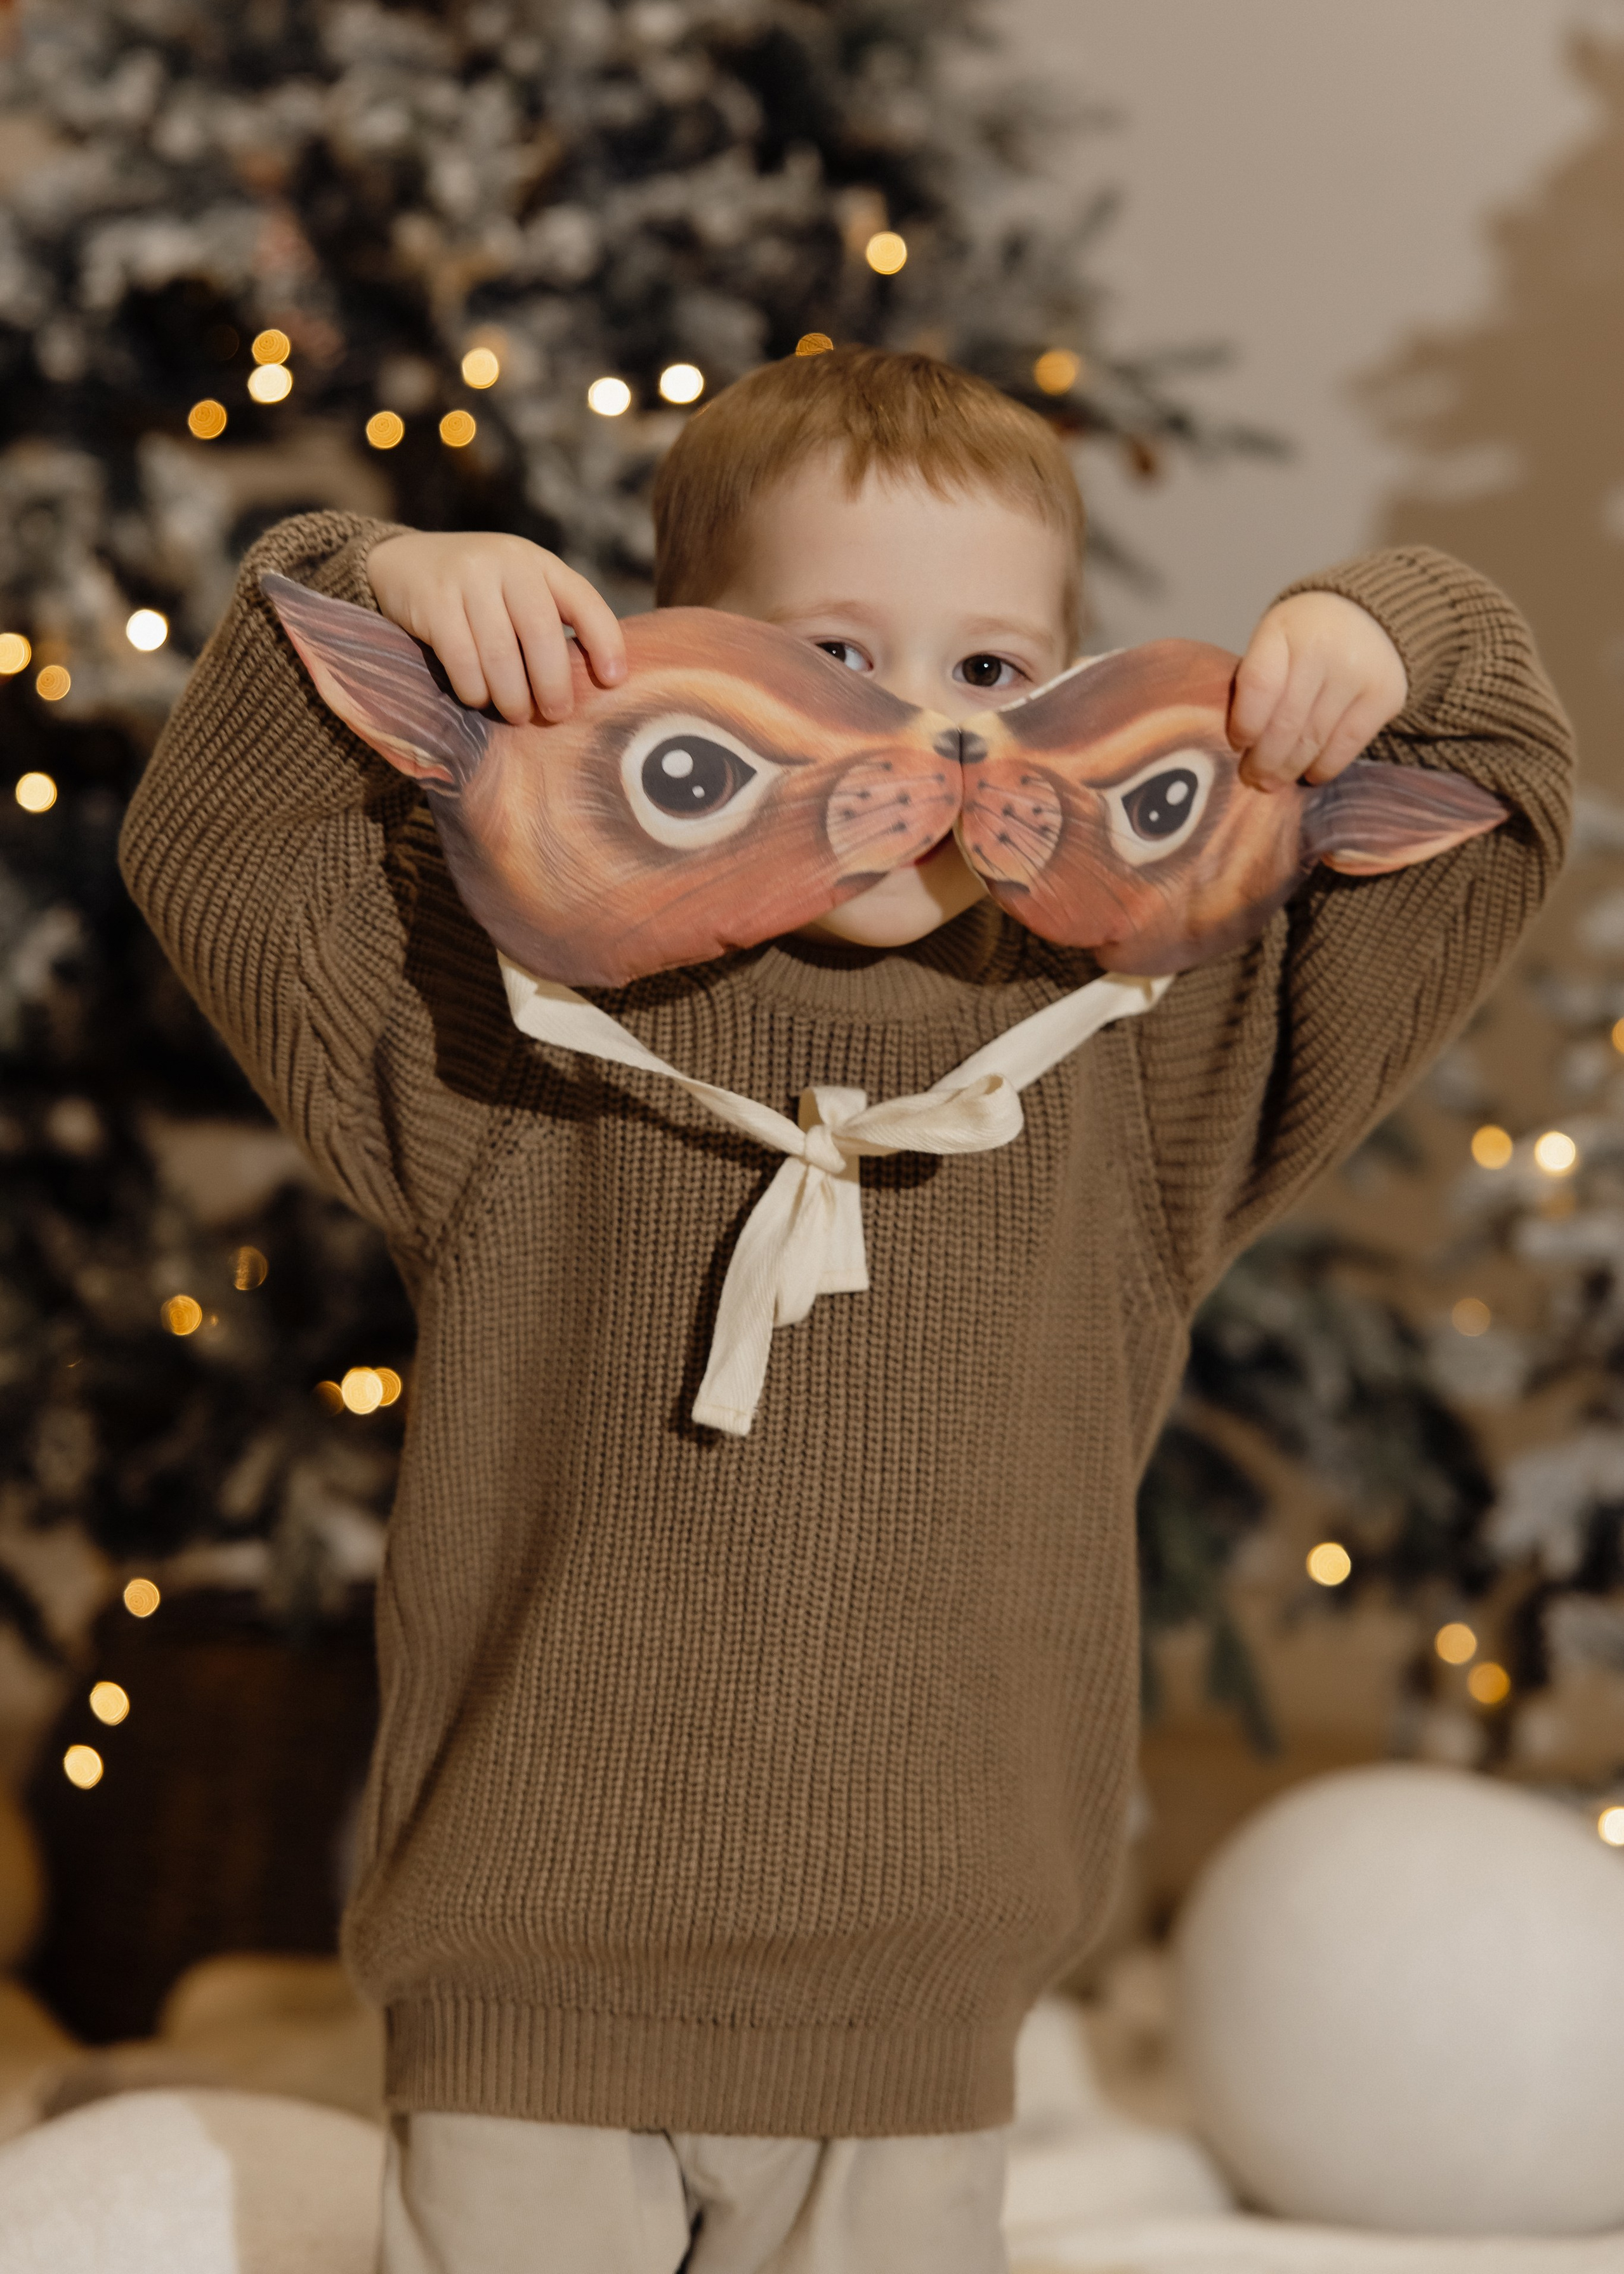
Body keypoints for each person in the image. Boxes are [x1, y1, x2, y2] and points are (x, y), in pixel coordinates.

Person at [119, 347, 1573, 2273]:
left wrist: (1391, 632)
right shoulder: (512, 1029)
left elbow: (1490, 798)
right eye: (836, 653)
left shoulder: (1138, 1061)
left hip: (923, 2009)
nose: (926, 736)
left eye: (991, 671)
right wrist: (381, 571)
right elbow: (218, 845)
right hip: (530, 1987)